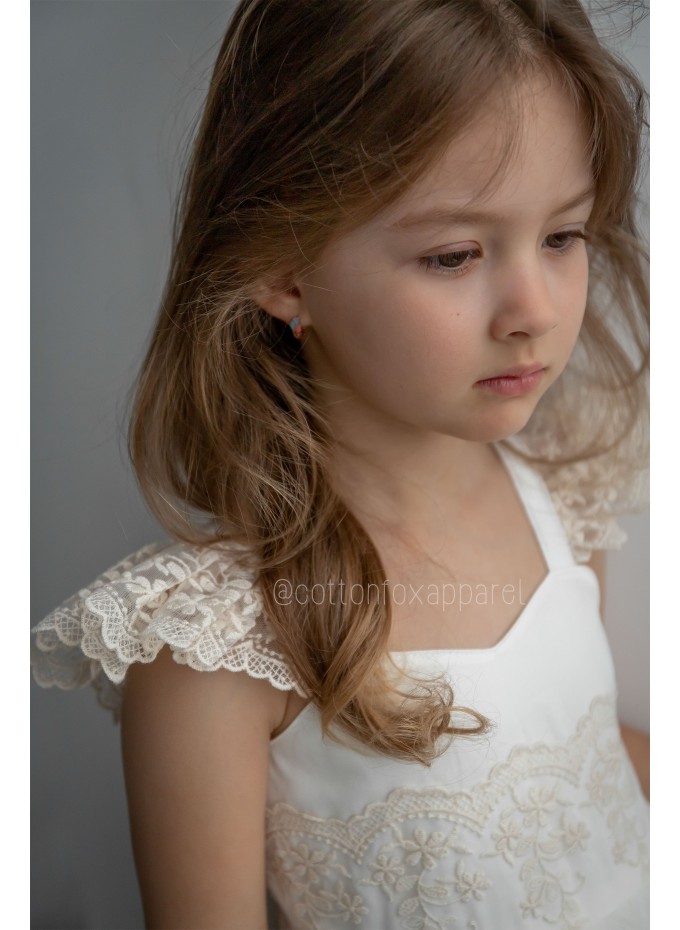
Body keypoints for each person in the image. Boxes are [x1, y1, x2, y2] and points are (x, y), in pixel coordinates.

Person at [31, 0, 650, 927]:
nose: (534, 307)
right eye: (453, 254)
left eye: (564, 236)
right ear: (282, 267)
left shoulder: (563, 495)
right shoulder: (219, 642)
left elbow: (592, 782)